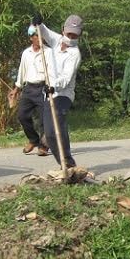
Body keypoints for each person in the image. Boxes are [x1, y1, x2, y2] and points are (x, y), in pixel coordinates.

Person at [32, 13, 83, 169]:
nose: (71, 37)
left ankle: (68, 162)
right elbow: (44, 31)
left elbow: (67, 78)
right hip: (49, 94)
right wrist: (38, 23)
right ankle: (64, 164)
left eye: (75, 35)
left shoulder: (75, 54)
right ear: (63, 30)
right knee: (49, 133)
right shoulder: (56, 41)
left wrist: (54, 86)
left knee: (58, 128)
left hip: (63, 95)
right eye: (69, 33)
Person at [9, 27, 49, 156]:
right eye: (37, 36)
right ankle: (33, 140)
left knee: (44, 119)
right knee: (22, 116)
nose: (40, 38)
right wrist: (16, 88)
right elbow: (22, 70)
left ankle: (43, 146)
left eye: (42, 36)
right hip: (28, 88)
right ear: (31, 37)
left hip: (44, 88)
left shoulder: (48, 52)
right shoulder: (26, 53)